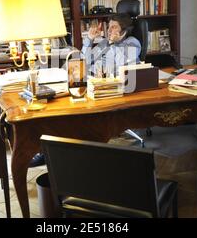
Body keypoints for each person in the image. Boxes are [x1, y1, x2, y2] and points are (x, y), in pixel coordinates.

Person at [29, 14, 142, 168]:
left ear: (124, 30)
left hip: (102, 85)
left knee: (58, 105)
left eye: (114, 27)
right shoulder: (105, 42)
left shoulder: (132, 43)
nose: (110, 30)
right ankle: (45, 147)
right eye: (109, 27)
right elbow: (84, 59)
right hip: (85, 77)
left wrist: (114, 44)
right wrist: (89, 40)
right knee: (48, 91)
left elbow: (122, 65)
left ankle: (48, 151)